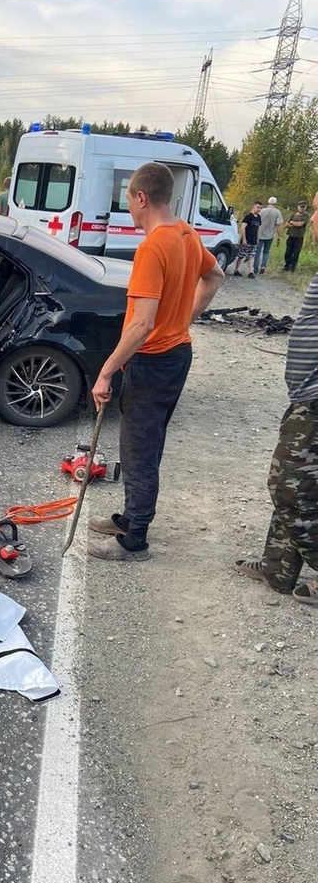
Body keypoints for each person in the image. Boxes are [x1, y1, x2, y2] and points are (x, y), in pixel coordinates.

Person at [88, 161, 224, 561]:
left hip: (153, 361)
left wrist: (106, 371)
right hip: (177, 354)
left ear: (142, 198)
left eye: (129, 199)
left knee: (139, 451)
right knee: (145, 445)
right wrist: (184, 318)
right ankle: (131, 517)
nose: (128, 207)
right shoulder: (185, 232)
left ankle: (135, 541)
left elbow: (143, 323)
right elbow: (215, 277)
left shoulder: (153, 246)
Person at [234, 191, 318, 605]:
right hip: (306, 394)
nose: (313, 218)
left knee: (289, 487)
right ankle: (278, 570)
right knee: (302, 484)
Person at [232, 201, 262, 278]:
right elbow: (243, 227)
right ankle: (236, 270)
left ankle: (250, 272)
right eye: (258, 207)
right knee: (241, 255)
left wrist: (257, 239)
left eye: (260, 208)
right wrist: (244, 239)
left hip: (253, 240)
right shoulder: (248, 216)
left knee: (252, 255)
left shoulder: (259, 217)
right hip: (247, 239)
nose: (259, 209)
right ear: (254, 207)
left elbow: (258, 228)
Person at [254, 196, 283, 275]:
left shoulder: (262, 211)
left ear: (268, 202)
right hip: (270, 235)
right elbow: (278, 224)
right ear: (275, 203)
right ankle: (263, 265)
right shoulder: (277, 212)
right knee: (266, 251)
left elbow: (256, 220)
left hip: (259, 234)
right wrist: (279, 236)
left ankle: (255, 269)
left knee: (257, 252)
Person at [283, 200, 309, 272]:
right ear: (298, 207)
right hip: (291, 236)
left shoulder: (306, 215)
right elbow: (286, 225)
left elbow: (300, 224)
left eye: (304, 207)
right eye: (301, 207)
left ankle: (292, 267)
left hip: (299, 237)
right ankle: (287, 266)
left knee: (296, 253)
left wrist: (292, 223)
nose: (302, 208)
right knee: (288, 252)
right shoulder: (293, 215)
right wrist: (293, 224)